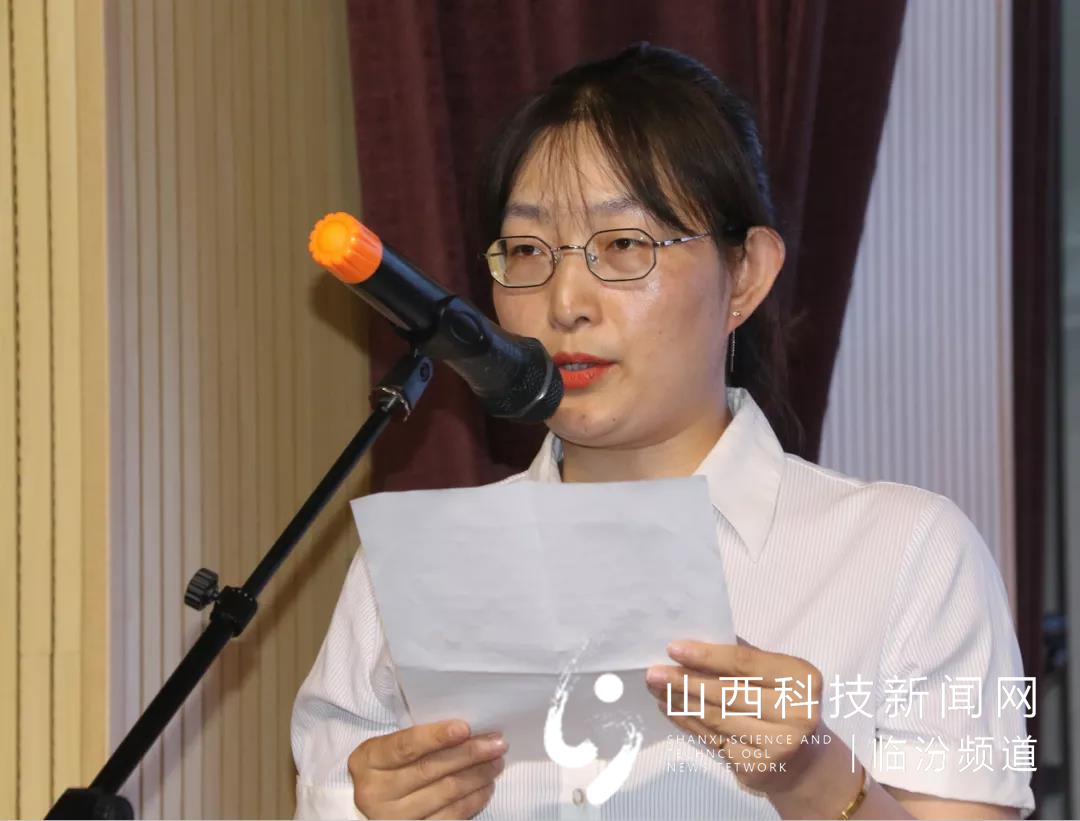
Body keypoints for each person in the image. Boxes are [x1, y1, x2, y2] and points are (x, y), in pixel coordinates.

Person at [291, 44, 1035, 819]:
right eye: (527, 251)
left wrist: (814, 776)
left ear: (745, 274)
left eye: (623, 245)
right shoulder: (415, 573)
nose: (566, 301)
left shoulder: (906, 553)